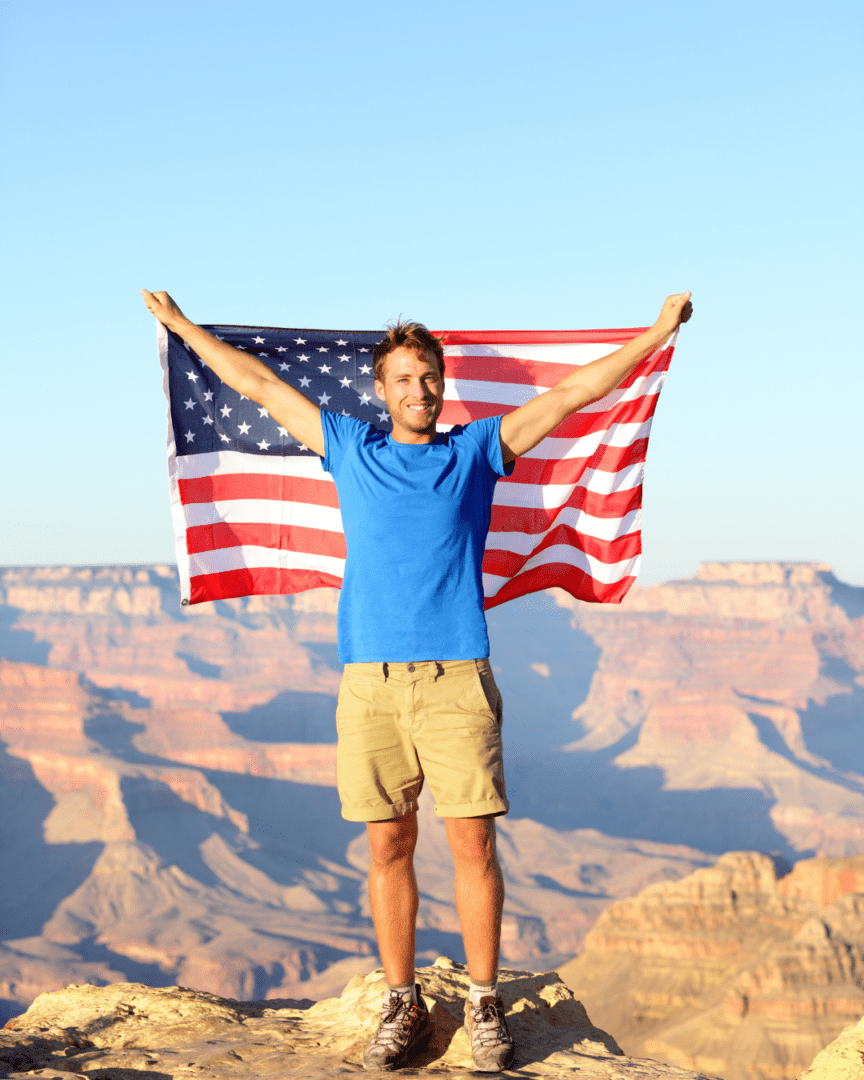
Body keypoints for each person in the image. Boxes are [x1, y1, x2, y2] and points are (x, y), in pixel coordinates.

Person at [142, 288, 692, 1072]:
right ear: (382, 389)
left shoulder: (477, 451)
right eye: (403, 379)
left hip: (455, 679)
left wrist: (656, 334)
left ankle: (483, 1002)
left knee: (473, 845)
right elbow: (261, 386)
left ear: (442, 381)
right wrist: (182, 328)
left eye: (428, 377)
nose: (418, 391)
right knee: (388, 845)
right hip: (370, 683)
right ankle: (402, 1005)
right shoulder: (348, 448)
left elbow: (573, 393)